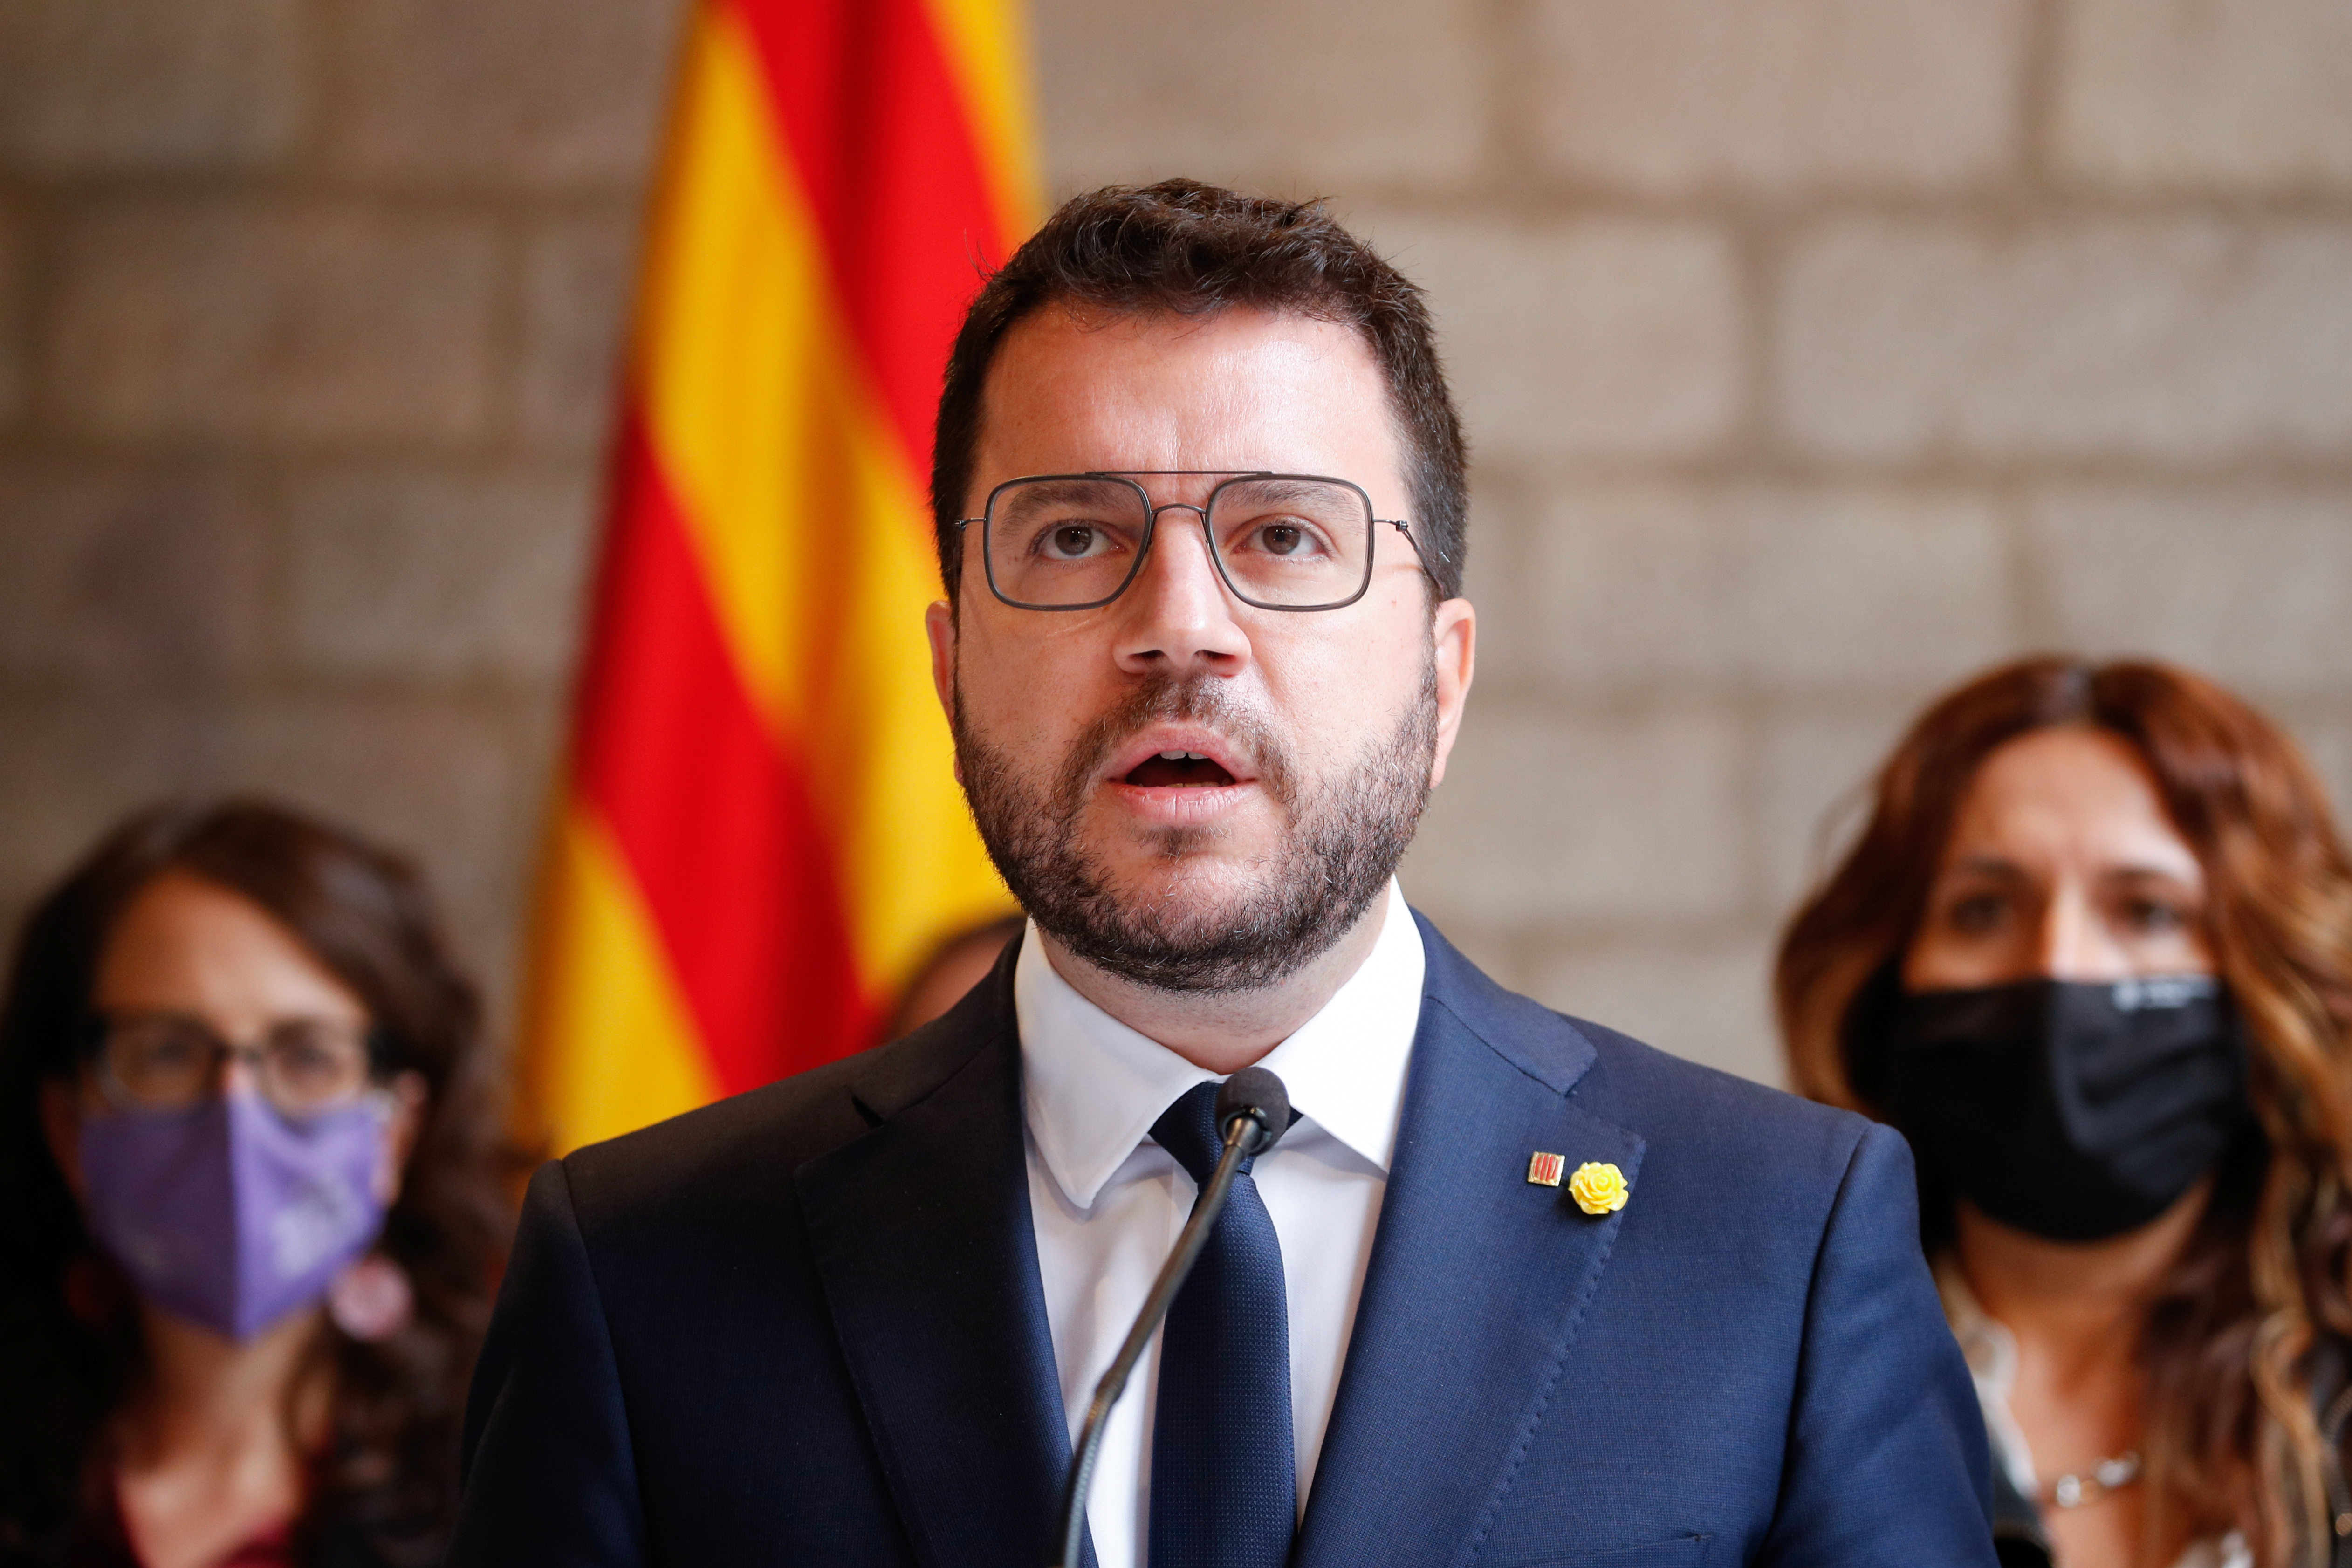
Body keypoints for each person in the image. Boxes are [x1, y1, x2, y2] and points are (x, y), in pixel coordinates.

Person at [448, 179, 1997, 1567]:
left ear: (1439, 676)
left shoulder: (1774, 1242)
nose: (1178, 622)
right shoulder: (640, 1269)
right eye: (1068, 538)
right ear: (947, 670)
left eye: (1281, 536)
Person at [1775, 657, 2352, 1568]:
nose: (2061, 966)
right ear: (1887, 978)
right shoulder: (1761, 1374)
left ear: (2269, 978)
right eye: (1984, 908)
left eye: (2148, 910)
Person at [0, 800, 513, 1568]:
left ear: (396, 1132)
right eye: (168, 1052)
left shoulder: (506, 1474)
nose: (237, 1116)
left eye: (307, 1056)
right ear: (69, 1125)